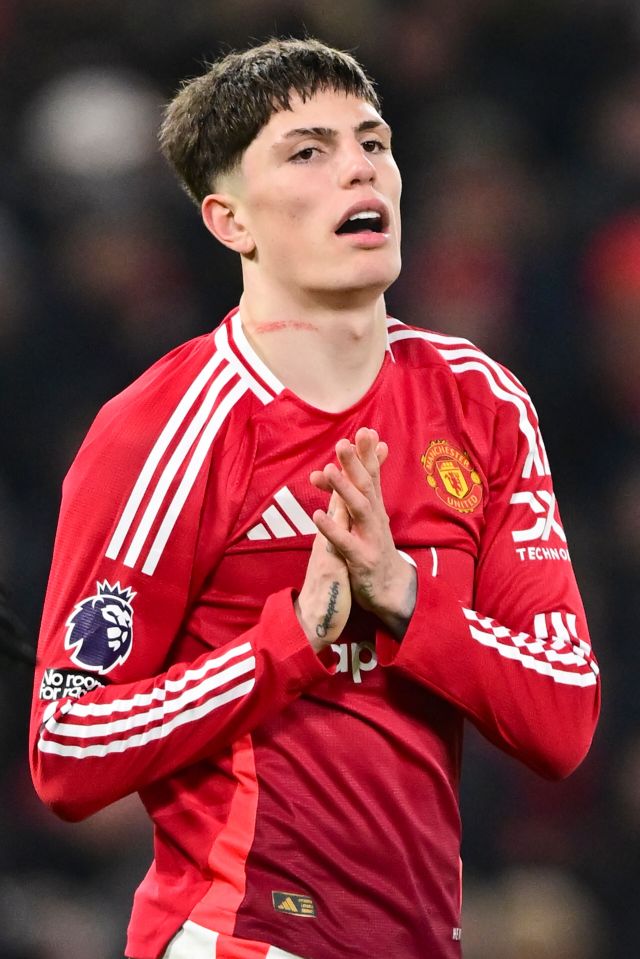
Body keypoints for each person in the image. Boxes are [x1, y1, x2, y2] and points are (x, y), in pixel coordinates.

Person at [29, 38, 600, 959]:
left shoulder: (481, 400)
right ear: (230, 222)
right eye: (308, 151)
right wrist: (289, 641)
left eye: (373, 142)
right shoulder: (165, 426)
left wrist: (403, 593)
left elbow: (564, 717)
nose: (359, 169)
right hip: (238, 937)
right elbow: (69, 742)